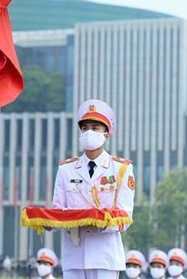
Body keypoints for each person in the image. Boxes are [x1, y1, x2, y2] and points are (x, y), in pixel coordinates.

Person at [52, 99, 135, 279]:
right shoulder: (66, 169)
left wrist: (99, 221)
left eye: (95, 128)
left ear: (106, 134)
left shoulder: (121, 169)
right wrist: (48, 223)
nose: (89, 132)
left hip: (104, 255)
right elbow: (58, 211)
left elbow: (125, 216)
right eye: (85, 128)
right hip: (74, 253)